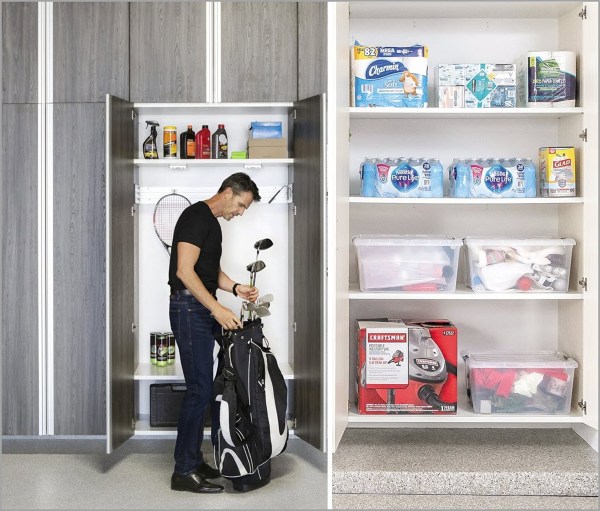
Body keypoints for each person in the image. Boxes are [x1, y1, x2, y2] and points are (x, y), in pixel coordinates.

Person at [168, 172, 261, 493]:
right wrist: (216, 308)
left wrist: (235, 288)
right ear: (227, 192)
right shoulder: (195, 216)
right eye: (241, 204)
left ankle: (193, 461)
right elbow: (184, 271)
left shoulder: (212, 224)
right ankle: (183, 470)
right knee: (199, 388)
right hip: (189, 309)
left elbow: (207, 271)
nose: (241, 212)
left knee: (206, 388)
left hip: (199, 308)